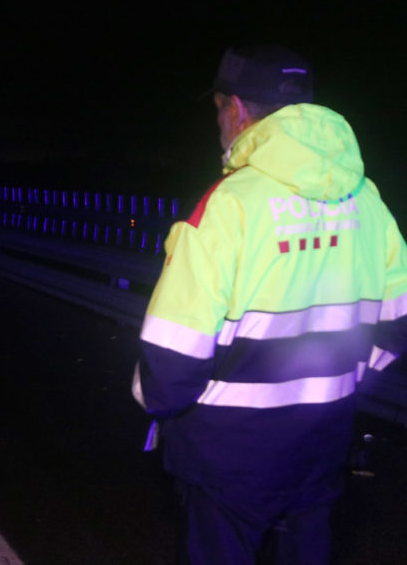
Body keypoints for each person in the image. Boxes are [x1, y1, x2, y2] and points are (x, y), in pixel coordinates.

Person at [132, 44, 407, 564]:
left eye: (218, 109)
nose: (218, 123)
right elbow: (398, 325)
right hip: (322, 444)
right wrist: (343, 381)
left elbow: (170, 363)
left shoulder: (229, 205)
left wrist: (164, 409)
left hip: (228, 456)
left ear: (236, 109)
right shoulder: (368, 200)